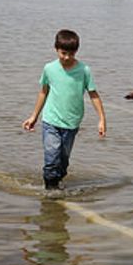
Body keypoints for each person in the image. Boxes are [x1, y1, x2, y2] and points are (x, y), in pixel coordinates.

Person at [22, 29, 107, 190]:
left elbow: (93, 95)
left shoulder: (84, 70)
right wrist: (34, 116)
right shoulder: (49, 68)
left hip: (72, 123)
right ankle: (50, 190)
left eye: (71, 53)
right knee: (51, 157)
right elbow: (43, 92)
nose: (67, 57)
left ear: (76, 52)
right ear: (56, 49)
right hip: (50, 120)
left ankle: (58, 180)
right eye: (63, 53)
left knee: (63, 160)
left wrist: (101, 119)